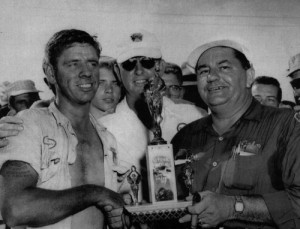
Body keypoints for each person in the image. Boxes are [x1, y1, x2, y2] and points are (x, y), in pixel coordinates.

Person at [0, 29, 129, 229]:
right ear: (51, 72)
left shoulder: (107, 139)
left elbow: (110, 207)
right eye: (73, 63)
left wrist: (119, 217)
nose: (86, 72)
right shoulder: (30, 125)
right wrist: (95, 193)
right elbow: (15, 209)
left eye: (92, 63)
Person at [172, 39, 300, 228]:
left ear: (249, 76)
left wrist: (234, 207)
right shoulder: (184, 137)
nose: (212, 77)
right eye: (204, 71)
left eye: (224, 68)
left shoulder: (287, 125)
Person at [100, 30, 207, 202]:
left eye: (147, 62)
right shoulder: (102, 129)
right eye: (129, 64)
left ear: (161, 67)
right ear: (117, 71)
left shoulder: (194, 117)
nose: (139, 71)